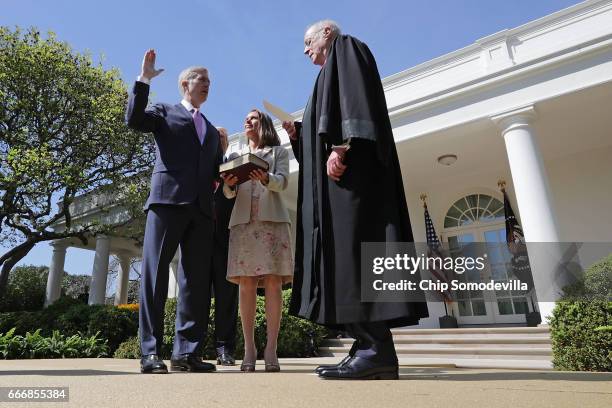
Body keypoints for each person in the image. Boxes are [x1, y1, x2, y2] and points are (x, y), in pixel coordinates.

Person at [283, 20, 429, 380]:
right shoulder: (328, 70)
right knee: (343, 261)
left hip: (356, 183)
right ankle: (365, 346)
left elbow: (355, 106)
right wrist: (300, 136)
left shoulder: (347, 48)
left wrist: (343, 147)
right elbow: (324, 132)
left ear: (327, 34)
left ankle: (375, 349)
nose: (305, 50)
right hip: (339, 186)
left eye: (308, 41)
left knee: (358, 256)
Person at [126, 49, 223, 374]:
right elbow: (135, 120)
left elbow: (214, 170)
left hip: (201, 210)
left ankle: (186, 354)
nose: (207, 84)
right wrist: (144, 80)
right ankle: (150, 353)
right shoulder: (165, 111)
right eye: (202, 79)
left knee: (196, 283)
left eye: (210, 81)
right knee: (154, 277)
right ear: (185, 83)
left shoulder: (210, 130)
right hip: (167, 202)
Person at [221, 109, 293, 372]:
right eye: (246, 118)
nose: (247, 121)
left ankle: (271, 348)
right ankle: (249, 348)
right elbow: (229, 193)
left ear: (263, 124)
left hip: (272, 222)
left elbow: (283, 183)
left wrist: (266, 178)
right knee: (246, 283)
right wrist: (229, 184)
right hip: (243, 224)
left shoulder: (279, 152)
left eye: (253, 118)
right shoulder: (236, 155)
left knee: (273, 283)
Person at [210, 127, 239, 366]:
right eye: (214, 136)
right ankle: (191, 348)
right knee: (195, 295)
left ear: (227, 143)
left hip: (227, 240)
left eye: (222, 137)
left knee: (227, 297)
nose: (218, 139)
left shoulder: (234, 165)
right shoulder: (200, 163)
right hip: (199, 239)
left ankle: (224, 348)